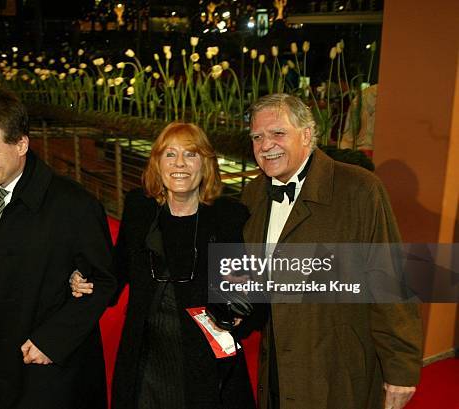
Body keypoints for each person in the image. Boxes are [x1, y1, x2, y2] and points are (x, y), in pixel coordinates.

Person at [242, 93, 422, 409]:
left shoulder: (360, 188)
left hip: (337, 365)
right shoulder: (254, 192)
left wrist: (401, 366)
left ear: (307, 135)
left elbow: (390, 280)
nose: (265, 145)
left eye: (278, 133)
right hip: (276, 364)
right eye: (257, 136)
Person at [72, 122, 261, 409]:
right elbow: (117, 268)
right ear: (157, 163)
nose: (180, 164)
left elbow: (245, 290)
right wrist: (83, 276)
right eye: (170, 154)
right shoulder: (140, 208)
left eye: (191, 154)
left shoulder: (227, 217)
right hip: (146, 356)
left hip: (202, 360)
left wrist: (239, 308)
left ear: (206, 164)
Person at [0, 89, 116, 409]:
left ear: (21, 145)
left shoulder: (74, 204)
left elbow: (105, 281)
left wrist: (52, 342)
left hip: (53, 366)